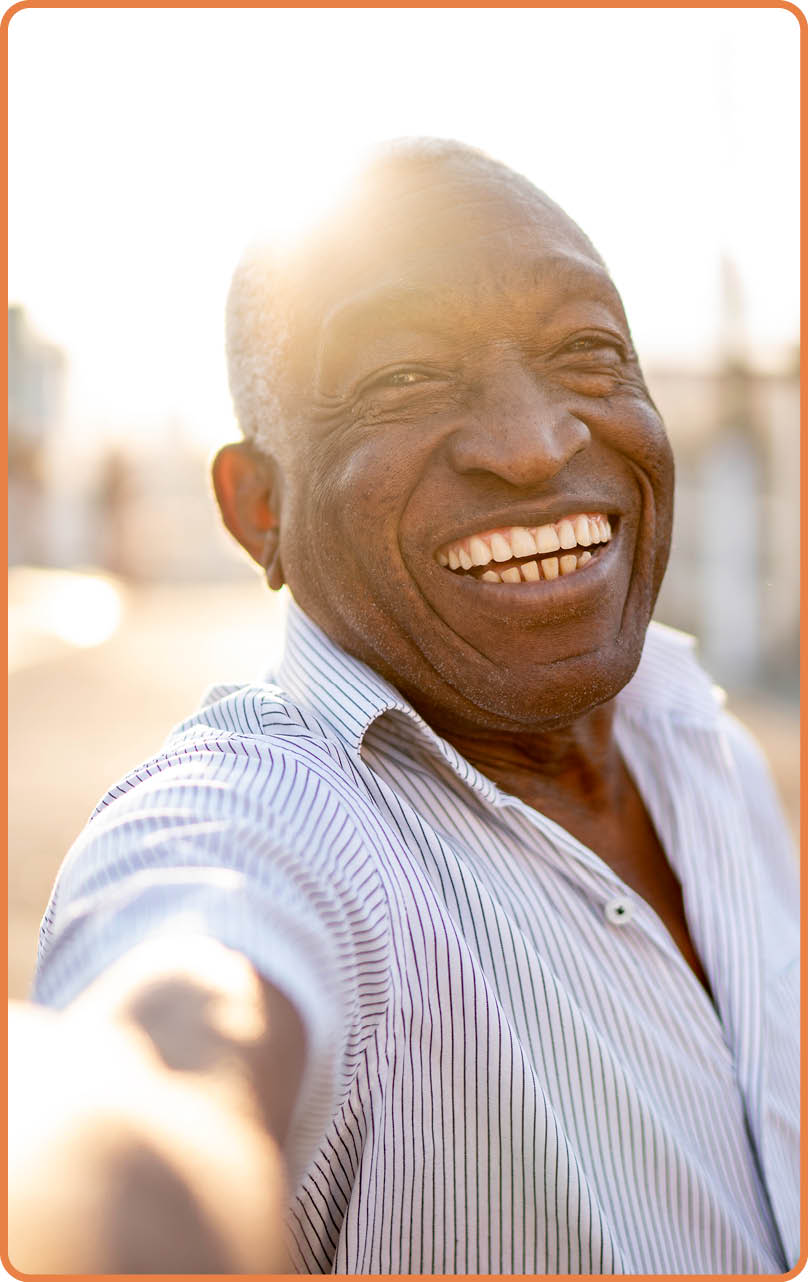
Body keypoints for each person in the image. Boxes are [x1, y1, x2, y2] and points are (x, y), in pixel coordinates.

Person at [10, 140, 798, 1275]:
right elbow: (179, 1015)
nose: (536, 444)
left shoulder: (706, 749)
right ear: (257, 510)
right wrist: (134, 1152)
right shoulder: (264, 821)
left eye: (586, 350)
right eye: (402, 379)